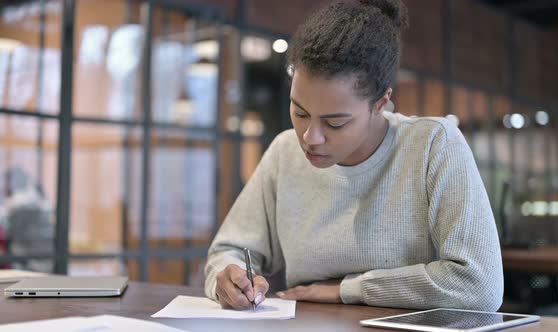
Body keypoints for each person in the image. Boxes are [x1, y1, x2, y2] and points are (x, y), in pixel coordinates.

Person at [204, 0, 503, 311]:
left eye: (335, 122)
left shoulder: (432, 145)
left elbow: (479, 285)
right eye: (300, 112)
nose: (310, 137)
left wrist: (348, 289)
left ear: (380, 102)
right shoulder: (284, 153)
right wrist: (228, 278)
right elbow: (228, 251)